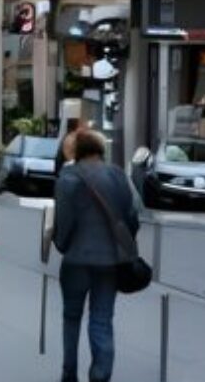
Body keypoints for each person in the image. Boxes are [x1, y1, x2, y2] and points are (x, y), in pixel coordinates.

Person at [53, 130, 140, 382]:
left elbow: (64, 221)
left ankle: (69, 374)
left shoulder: (68, 177)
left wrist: (62, 244)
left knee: (71, 317)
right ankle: (100, 375)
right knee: (102, 319)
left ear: (77, 151)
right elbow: (133, 215)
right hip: (110, 261)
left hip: (75, 260)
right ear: (101, 150)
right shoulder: (117, 175)